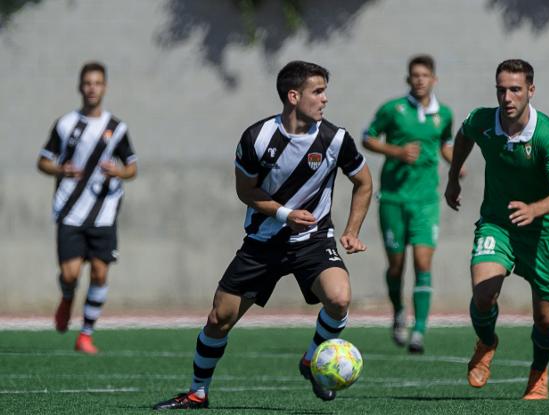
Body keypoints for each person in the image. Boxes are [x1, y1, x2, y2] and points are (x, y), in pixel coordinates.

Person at [153, 60, 372, 410]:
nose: (325, 99)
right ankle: (197, 392)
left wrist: (351, 230)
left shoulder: (336, 139)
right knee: (218, 319)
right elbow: (246, 191)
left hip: (313, 242)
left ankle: (312, 358)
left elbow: (363, 181)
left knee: (340, 298)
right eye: (318, 92)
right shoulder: (256, 138)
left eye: (325, 91)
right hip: (262, 244)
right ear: (293, 95)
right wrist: (284, 214)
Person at [445, 59, 549, 400]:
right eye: (501, 89)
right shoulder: (483, 120)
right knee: (483, 294)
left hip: (542, 233)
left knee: (546, 320)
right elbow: (463, 135)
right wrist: (453, 177)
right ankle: (487, 342)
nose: (507, 97)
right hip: (498, 223)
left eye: (515, 89)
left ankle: (538, 374)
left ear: (531, 90)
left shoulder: (547, 134)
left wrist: (534, 209)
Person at [37, 62, 138, 354]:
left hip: (104, 211)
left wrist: (119, 172)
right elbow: (42, 161)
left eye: (97, 83)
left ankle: (85, 334)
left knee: (100, 273)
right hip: (70, 210)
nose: (92, 88)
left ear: (104, 87)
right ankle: (68, 297)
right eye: (88, 83)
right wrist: (61, 169)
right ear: (80, 87)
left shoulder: (116, 129)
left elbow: (132, 167)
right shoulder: (65, 124)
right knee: (69, 274)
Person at [362, 55, 454, 353]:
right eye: (414, 75)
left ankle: (419, 330)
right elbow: (367, 138)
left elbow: (444, 145)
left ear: (434, 79)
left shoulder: (445, 114)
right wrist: (397, 151)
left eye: (425, 75)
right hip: (393, 199)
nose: (419, 79)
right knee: (396, 266)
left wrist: (457, 165)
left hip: (426, 201)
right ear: (408, 79)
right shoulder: (393, 110)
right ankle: (399, 311)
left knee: (423, 263)